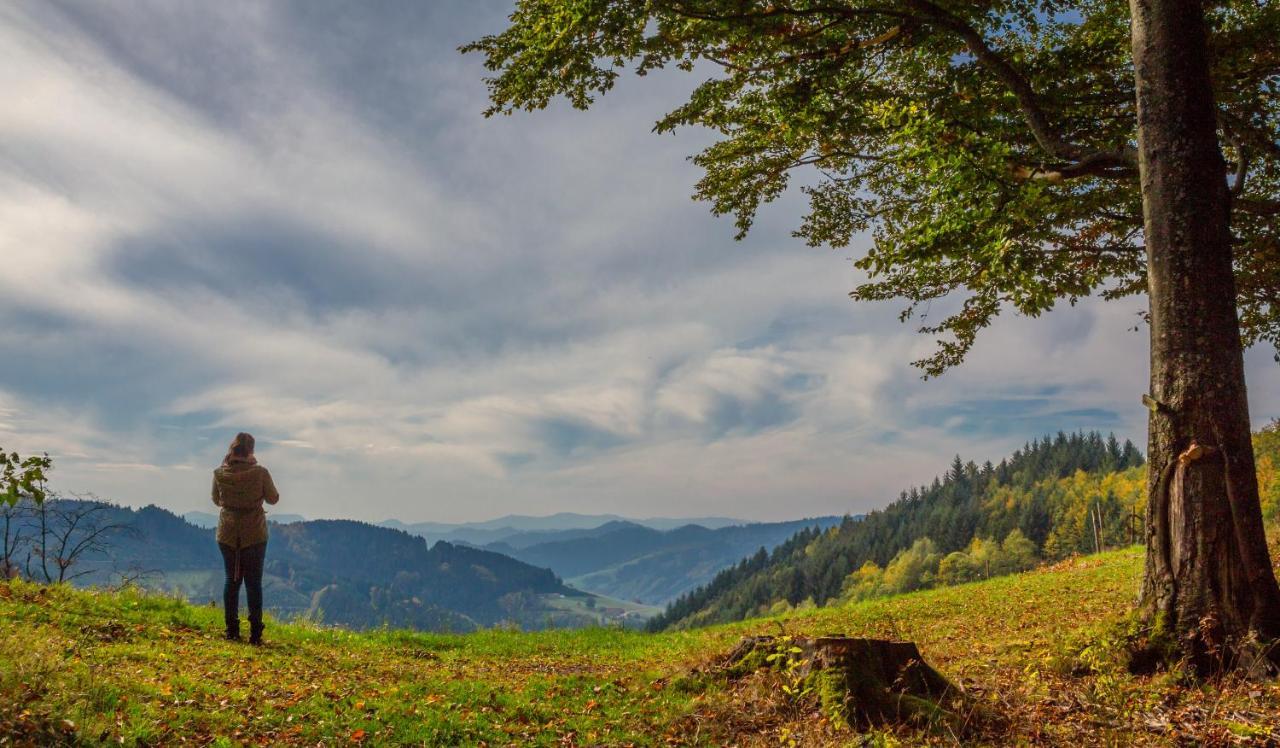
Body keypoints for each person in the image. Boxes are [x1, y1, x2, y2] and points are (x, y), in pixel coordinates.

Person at [211, 432, 279, 644]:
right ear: (251, 450)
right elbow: (273, 498)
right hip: (254, 534)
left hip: (227, 533)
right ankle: (255, 634)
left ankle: (231, 630)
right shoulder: (259, 472)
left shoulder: (220, 473)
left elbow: (215, 500)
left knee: (231, 581)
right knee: (253, 583)